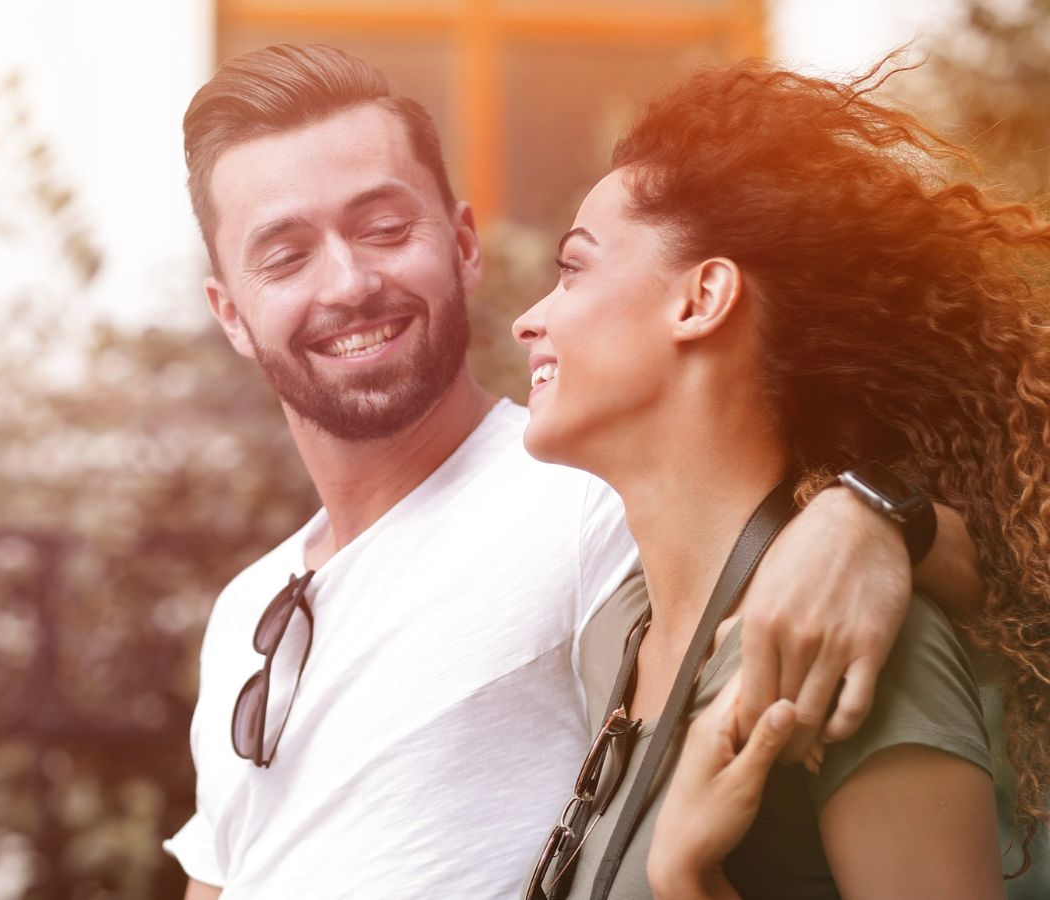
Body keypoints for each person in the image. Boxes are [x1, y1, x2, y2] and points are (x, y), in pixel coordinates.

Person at [167, 44, 982, 898]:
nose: (347, 283)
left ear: (464, 244)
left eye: (383, 228)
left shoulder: (590, 498)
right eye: (286, 255)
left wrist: (871, 518)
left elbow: (959, 572)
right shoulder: (243, 611)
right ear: (231, 312)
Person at [513, 58, 1050, 898]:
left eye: (574, 269)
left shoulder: (860, 642)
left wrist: (689, 877)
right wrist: (873, 513)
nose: (528, 318)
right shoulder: (616, 636)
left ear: (701, 298)